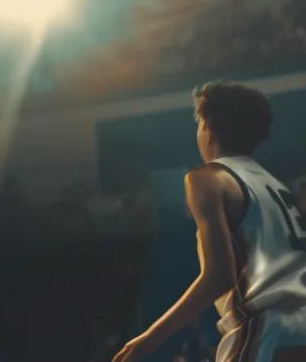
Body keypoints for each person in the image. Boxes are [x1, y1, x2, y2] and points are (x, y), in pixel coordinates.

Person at [114, 82, 306, 362]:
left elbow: (219, 275)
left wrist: (150, 337)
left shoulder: (205, 178)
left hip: (266, 328)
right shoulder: (272, 182)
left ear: (207, 125)